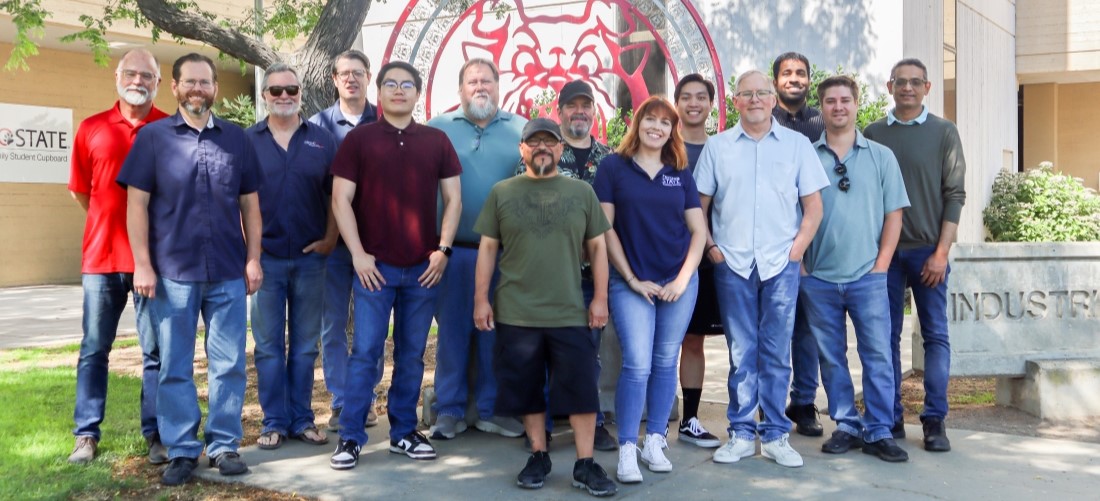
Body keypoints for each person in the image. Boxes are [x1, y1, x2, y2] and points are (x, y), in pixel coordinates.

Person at [118, 52, 264, 485]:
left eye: (206, 82)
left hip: (227, 271)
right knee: (175, 365)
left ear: (215, 89)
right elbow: (136, 206)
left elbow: (251, 206)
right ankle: (182, 448)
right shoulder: (152, 139)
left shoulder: (237, 140)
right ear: (175, 88)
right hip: (172, 273)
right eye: (190, 82)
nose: (198, 89)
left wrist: (253, 257)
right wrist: (142, 264)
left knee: (229, 363)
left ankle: (223, 445)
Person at [328, 61, 462, 469]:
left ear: (417, 93)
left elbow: (454, 200)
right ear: (379, 91)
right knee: (365, 353)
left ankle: (402, 433)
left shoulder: (436, 140)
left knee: (412, 355)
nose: (399, 90)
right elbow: (340, 200)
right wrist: (357, 253)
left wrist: (443, 249)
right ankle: (350, 437)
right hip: (375, 269)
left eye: (407, 85)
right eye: (391, 84)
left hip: (424, 270)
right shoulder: (360, 140)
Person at [474, 117, 617, 497]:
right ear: (522, 150)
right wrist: (481, 299)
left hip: (570, 309)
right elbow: (488, 248)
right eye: (532, 142)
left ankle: (585, 464)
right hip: (515, 311)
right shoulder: (502, 193)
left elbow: (599, 248)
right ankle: (539, 454)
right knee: (527, 389)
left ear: (559, 149)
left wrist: (600, 298)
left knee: (582, 388)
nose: (541, 147)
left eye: (548, 142)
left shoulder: (581, 194)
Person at [694, 70, 828, 469]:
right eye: (745, 94)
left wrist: (797, 250)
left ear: (772, 100)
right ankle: (739, 431)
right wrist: (711, 247)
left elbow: (814, 207)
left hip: (780, 263)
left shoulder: (797, 145)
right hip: (731, 263)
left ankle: (774, 434)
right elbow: (699, 208)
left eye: (761, 93)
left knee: (775, 351)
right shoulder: (718, 148)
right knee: (741, 351)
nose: (754, 99)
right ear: (735, 102)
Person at [594, 96, 707, 483]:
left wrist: (681, 279)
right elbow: (605, 229)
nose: (657, 127)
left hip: (678, 282)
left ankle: (655, 439)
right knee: (638, 363)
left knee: (664, 362)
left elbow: (699, 231)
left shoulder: (680, 172)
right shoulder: (613, 167)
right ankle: (628, 446)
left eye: (664, 123)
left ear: (671, 131)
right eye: (650, 120)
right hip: (632, 282)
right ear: (637, 124)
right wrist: (628, 278)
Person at [801, 76, 910, 463]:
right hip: (819, 278)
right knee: (830, 357)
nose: (838, 107)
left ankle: (880, 429)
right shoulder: (806, 156)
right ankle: (846, 424)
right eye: (830, 101)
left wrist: (881, 266)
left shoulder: (881, 156)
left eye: (845, 100)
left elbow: (894, 215)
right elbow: (794, 215)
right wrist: (802, 271)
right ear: (822, 107)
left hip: (868, 276)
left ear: (856, 103)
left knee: (878, 354)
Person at [67, 48, 168, 465]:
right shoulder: (91, 128)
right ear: (117, 76)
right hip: (102, 261)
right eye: (131, 73)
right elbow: (81, 192)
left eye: (147, 75)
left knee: (156, 353)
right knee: (94, 349)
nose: (138, 81)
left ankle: (157, 434)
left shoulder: (168, 128)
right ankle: (86, 435)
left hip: (155, 264)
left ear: (158, 83)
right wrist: (111, 223)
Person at [864, 58, 966, 452]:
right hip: (884, 255)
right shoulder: (873, 134)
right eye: (900, 82)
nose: (907, 88)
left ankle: (934, 420)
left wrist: (941, 252)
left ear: (927, 87)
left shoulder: (944, 132)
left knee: (935, 336)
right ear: (890, 87)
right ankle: (889, 418)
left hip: (928, 251)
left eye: (915, 82)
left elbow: (953, 196)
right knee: (882, 337)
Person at [427, 58, 526, 440]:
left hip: (506, 253)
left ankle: (491, 410)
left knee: (495, 333)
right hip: (453, 250)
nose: (480, 86)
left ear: (499, 85)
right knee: (452, 332)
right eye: (472, 81)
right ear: (461, 89)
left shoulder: (520, 129)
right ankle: (448, 409)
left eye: (487, 80)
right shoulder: (437, 129)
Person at [518, 79, 616, 451]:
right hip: (545, 277)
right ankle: (539, 429)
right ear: (559, 111)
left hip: (591, 278)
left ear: (593, 111)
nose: (579, 112)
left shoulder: (609, 159)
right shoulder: (534, 155)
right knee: (539, 352)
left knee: (587, 354)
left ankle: (592, 424)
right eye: (572, 106)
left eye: (585, 105)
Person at [246, 63, 337, 451]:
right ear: (264, 96)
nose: (284, 96)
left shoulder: (323, 140)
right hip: (265, 259)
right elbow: (237, 200)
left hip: (311, 258)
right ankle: (274, 421)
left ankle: (302, 418)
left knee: (304, 345)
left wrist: (331, 238)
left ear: (301, 92)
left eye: (291, 89)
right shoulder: (246, 140)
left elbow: (338, 195)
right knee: (268, 346)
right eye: (276, 90)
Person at [308, 50, 381, 431]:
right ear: (334, 80)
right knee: (332, 326)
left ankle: (366, 399)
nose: (351, 79)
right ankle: (340, 401)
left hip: (379, 246)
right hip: (333, 248)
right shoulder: (317, 128)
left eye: (358, 73)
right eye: (344, 74)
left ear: (369, 77)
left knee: (371, 327)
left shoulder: (387, 120)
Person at [771, 51, 826, 438]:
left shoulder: (822, 124)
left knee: (806, 329)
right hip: (771, 243)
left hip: (813, 243)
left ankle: (803, 402)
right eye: (787, 73)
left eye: (801, 73)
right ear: (776, 81)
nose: (794, 78)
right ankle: (766, 403)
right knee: (770, 330)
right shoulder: (761, 121)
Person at [673, 73, 723, 449]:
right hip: (661, 260)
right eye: (686, 96)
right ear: (677, 103)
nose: (694, 103)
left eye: (701, 97)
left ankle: (689, 418)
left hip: (709, 262)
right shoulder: (660, 146)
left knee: (693, 341)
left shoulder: (723, 149)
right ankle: (644, 418)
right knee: (651, 346)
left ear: (711, 104)